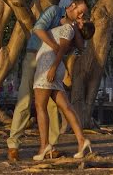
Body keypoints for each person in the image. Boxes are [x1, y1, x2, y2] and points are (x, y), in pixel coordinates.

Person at [7, 0, 88, 161]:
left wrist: (78, 27)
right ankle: (13, 145)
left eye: (83, 14)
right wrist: (57, 48)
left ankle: (51, 145)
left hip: (54, 64)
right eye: (80, 12)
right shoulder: (54, 11)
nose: (81, 15)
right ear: (72, 5)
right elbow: (38, 30)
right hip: (34, 55)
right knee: (25, 99)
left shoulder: (71, 26)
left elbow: (80, 50)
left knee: (53, 106)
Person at [32, 21, 95, 161]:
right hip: (54, 67)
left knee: (40, 107)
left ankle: (44, 146)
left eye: (82, 19)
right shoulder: (73, 34)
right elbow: (78, 47)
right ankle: (82, 140)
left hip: (48, 67)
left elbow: (60, 50)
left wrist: (53, 68)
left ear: (80, 26)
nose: (80, 18)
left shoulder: (68, 29)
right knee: (66, 107)